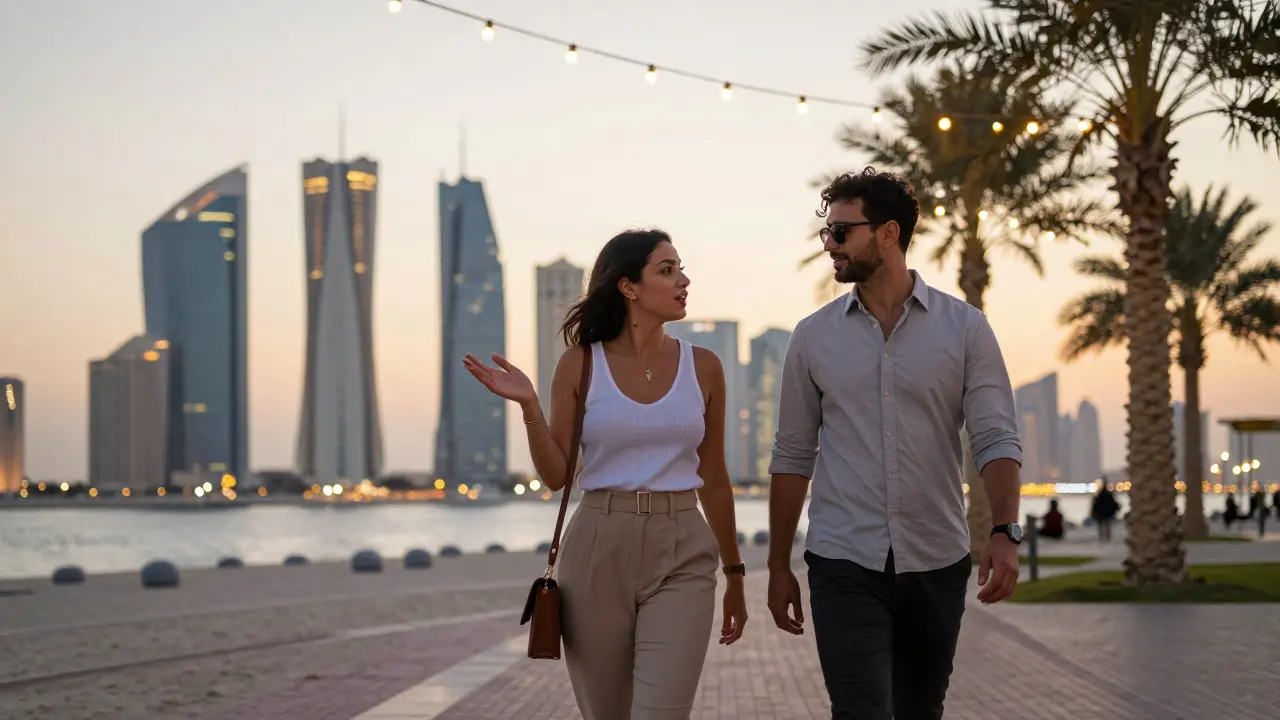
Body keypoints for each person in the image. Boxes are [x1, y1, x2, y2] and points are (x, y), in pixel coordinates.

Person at [765, 167, 1024, 720]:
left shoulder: (965, 328)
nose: (829, 246)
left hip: (936, 557)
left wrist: (1004, 530)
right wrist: (778, 565)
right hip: (841, 558)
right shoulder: (813, 337)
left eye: (841, 233)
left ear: (887, 233)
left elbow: (995, 434)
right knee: (859, 710)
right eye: (826, 233)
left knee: (919, 710)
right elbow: (792, 455)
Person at [462, 229, 747, 720]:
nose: (684, 280)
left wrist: (736, 572)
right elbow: (557, 476)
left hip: (683, 548)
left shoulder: (704, 367)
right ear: (628, 287)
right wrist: (530, 407)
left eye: (680, 268)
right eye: (667, 270)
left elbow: (715, 476)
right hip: (597, 547)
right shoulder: (580, 365)